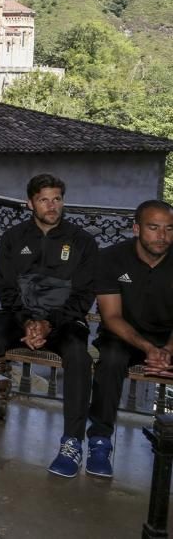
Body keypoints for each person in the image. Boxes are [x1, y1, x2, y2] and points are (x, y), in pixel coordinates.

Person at [0, 174, 98, 477]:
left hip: (64, 321)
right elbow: (5, 289)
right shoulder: (13, 238)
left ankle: (72, 443)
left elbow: (84, 295)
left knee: (79, 356)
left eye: (57, 198)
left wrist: (49, 323)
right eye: (44, 199)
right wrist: (28, 321)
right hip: (19, 317)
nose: (52, 205)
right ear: (29, 203)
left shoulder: (83, 242)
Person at [85, 200, 173, 479]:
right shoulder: (111, 258)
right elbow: (111, 317)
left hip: (168, 336)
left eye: (170, 229)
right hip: (123, 334)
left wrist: (167, 350)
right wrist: (149, 348)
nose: (163, 236)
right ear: (136, 229)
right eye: (154, 228)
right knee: (110, 360)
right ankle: (100, 440)